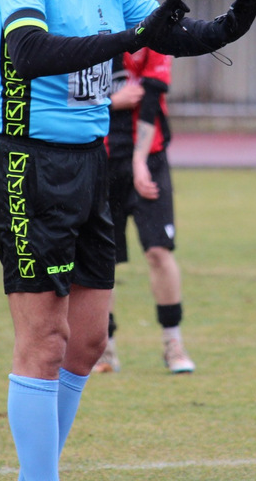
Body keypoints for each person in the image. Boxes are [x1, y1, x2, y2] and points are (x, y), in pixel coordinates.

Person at [0, 0, 256, 481]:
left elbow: (160, 32)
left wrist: (224, 29)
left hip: (93, 166)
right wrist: (131, 37)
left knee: (86, 343)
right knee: (44, 343)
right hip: (30, 167)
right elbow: (28, 52)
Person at [94, 48, 195, 374]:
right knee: (102, 256)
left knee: (158, 251)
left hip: (149, 158)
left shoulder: (152, 40)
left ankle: (173, 344)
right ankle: (103, 348)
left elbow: (149, 101)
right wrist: (112, 101)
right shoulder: (91, 37)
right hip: (100, 159)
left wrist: (139, 161)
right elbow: (71, 100)